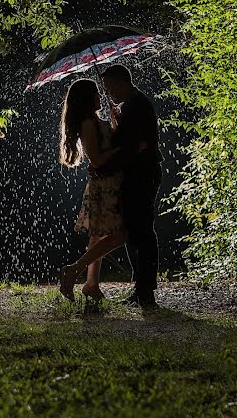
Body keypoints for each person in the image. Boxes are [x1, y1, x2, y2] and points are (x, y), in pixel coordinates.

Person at [89, 65, 163, 309]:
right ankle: (142, 289)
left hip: (142, 175)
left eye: (110, 88)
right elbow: (129, 143)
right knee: (135, 231)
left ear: (122, 83)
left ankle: (145, 291)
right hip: (139, 174)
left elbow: (125, 147)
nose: (108, 94)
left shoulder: (135, 106)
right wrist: (117, 120)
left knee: (140, 231)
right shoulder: (132, 105)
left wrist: (102, 168)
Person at [57, 78, 130, 302]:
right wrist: (123, 149)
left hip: (110, 181)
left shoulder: (96, 119)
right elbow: (97, 159)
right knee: (122, 234)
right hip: (105, 185)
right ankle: (74, 269)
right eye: (96, 93)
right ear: (87, 98)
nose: (100, 96)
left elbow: (108, 143)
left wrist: (116, 122)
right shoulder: (88, 123)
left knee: (97, 236)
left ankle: (91, 284)